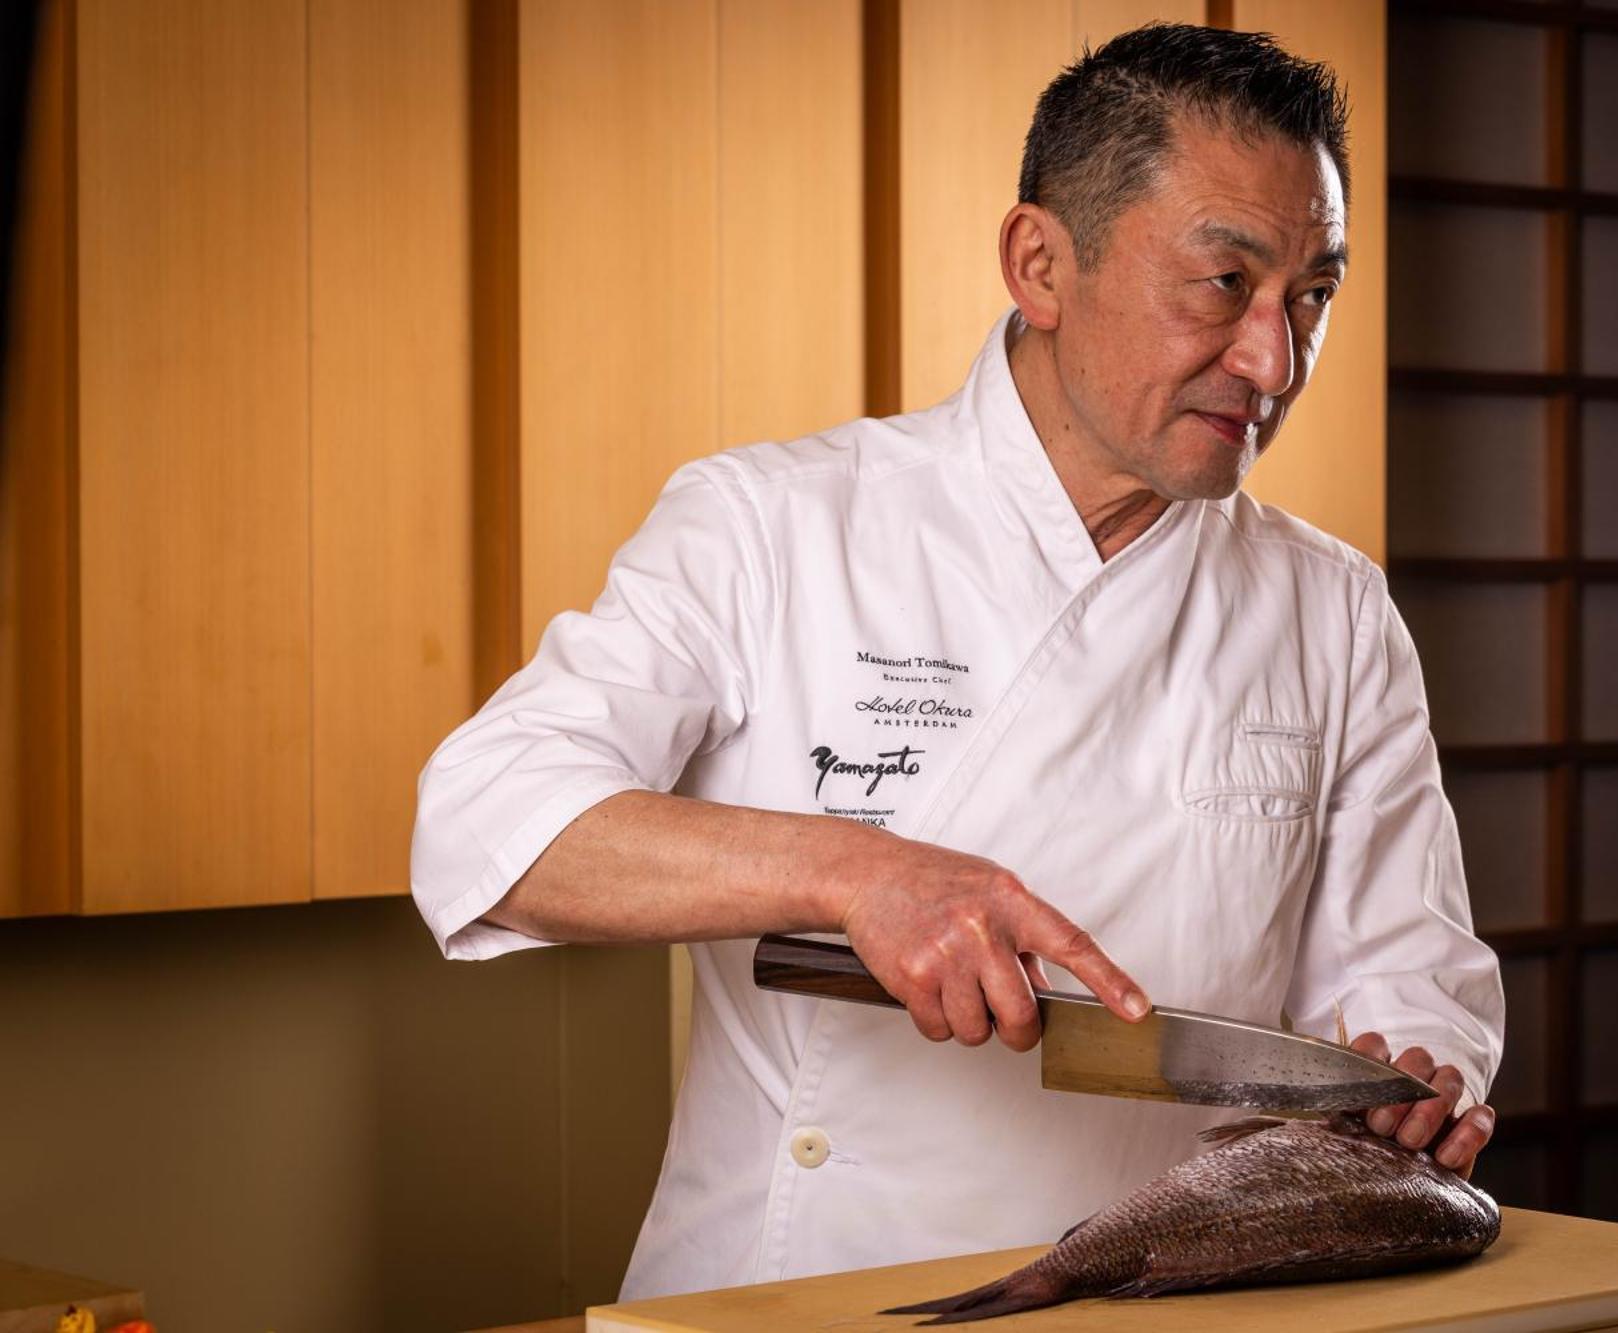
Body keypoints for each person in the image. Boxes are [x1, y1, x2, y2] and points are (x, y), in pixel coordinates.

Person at [411, 22, 1503, 1301]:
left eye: (1311, 294)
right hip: (804, 1291)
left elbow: (1408, 979)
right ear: (1039, 262)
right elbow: (485, 822)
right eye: (1223, 284)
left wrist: (1413, 1090)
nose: (1275, 359)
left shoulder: (1332, 609)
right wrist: (853, 872)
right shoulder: (771, 525)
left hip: (1170, 1301)